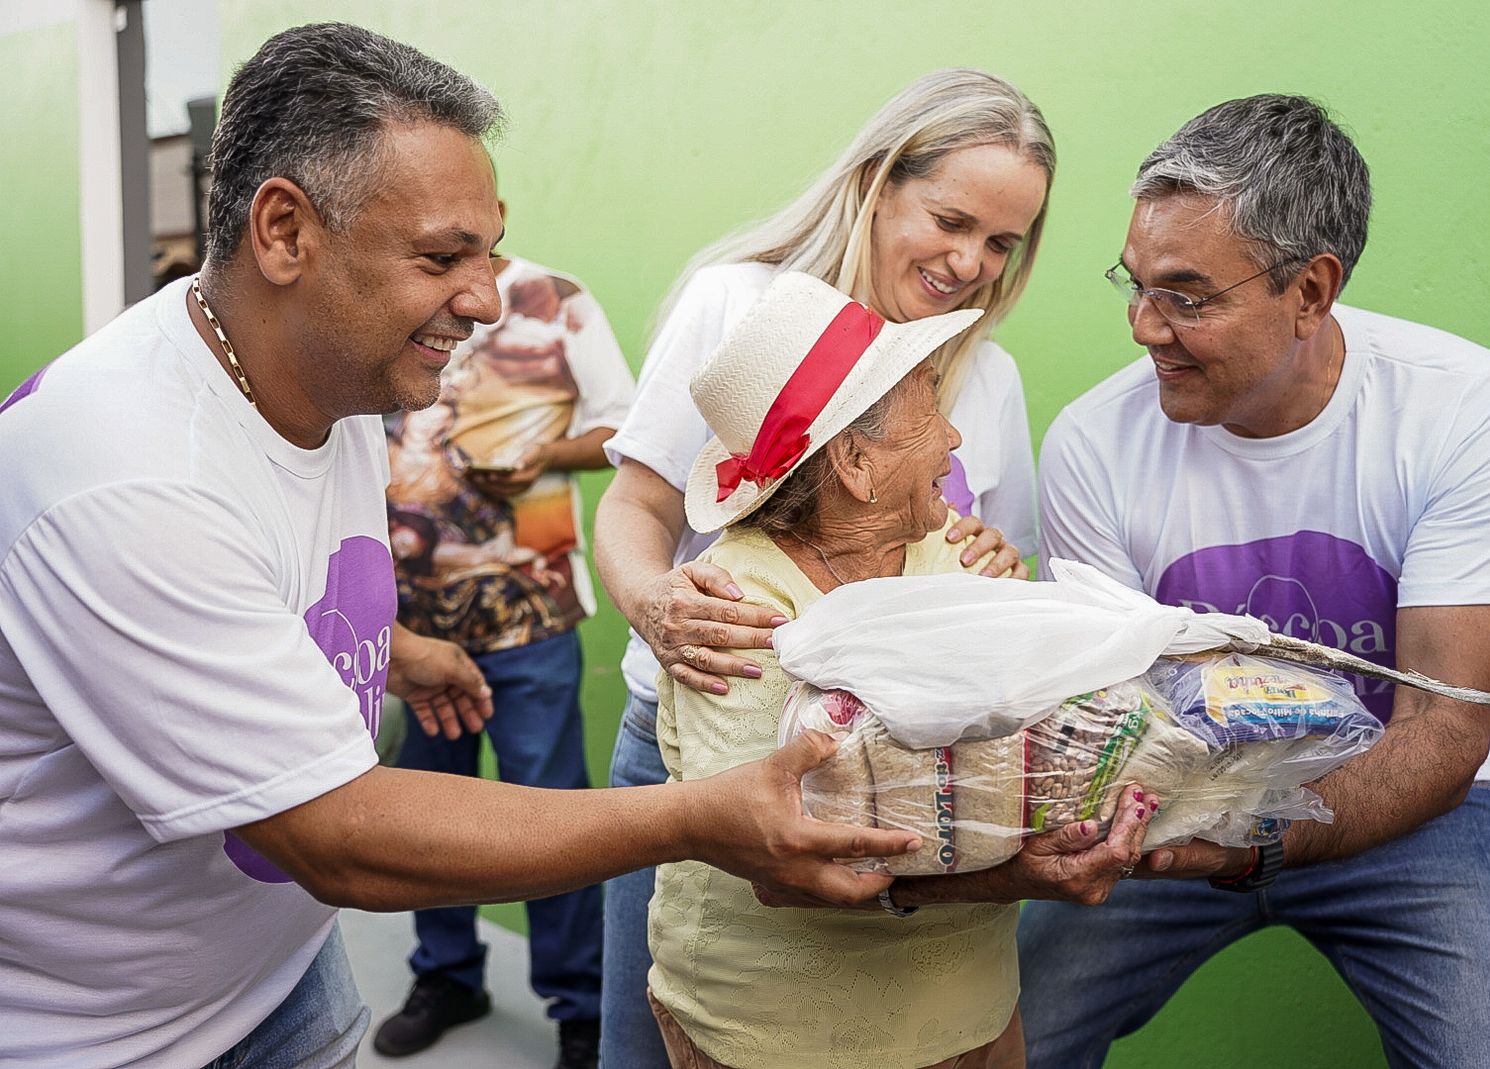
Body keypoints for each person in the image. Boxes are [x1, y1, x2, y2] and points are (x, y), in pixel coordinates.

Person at [0, 23, 926, 1069]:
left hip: (274, 975)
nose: (486, 299)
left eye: (490, 251)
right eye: (443, 258)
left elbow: (240, 591)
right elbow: (340, 837)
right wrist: (697, 818)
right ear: (285, 232)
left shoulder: (327, 379)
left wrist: (394, 650)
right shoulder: (126, 472)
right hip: (109, 1037)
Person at [1020, 94, 1490, 1068]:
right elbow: (1099, 712)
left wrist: (1267, 837)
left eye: (1188, 296)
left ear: (1310, 291)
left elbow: (1446, 727)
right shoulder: (1092, 443)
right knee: (996, 1039)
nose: (1145, 328)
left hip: (1418, 804)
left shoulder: (1474, 411)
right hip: (1172, 805)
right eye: (1134, 285)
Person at [594, 67, 1052, 1067]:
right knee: (662, 1032)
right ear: (879, 183)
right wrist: (651, 598)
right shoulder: (738, 306)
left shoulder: (993, 376)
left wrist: (994, 562)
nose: (970, 261)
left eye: (1000, 243)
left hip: (913, 778)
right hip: (702, 750)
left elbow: (1000, 590)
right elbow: (636, 504)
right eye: (950, 219)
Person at [646, 270, 1155, 1069]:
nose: (954, 441)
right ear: (852, 460)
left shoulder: (954, 549)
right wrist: (1015, 875)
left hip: (975, 1011)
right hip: (788, 1036)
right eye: (931, 409)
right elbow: (781, 862)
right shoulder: (734, 606)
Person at [372, 248, 635, 1065]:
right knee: (423, 812)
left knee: (551, 815)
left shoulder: (556, 298)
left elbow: (627, 427)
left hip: (532, 610)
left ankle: (581, 1009)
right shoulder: (388, 288)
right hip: (408, 624)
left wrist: (547, 457)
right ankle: (447, 974)